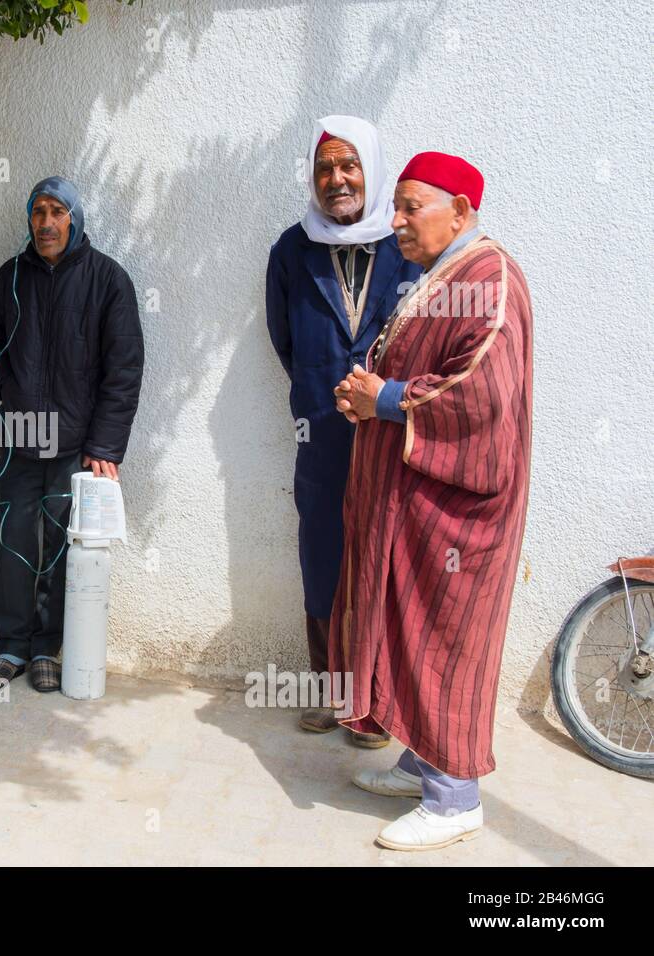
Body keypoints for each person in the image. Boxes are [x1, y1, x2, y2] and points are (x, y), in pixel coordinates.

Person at [331, 152, 533, 850]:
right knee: (408, 634)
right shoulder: (444, 277)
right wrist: (367, 396)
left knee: (446, 642)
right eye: (398, 206)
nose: (397, 222)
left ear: (462, 211)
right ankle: (422, 763)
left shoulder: (490, 277)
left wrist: (385, 399)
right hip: (411, 503)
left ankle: (455, 800)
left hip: (457, 517)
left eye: (412, 207)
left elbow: (480, 391)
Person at [266, 115, 420, 746]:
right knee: (324, 553)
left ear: (372, 169)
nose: (337, 179)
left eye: (349, 165)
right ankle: (332, 693)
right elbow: (284, 337)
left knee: (384, 554)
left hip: (391, 429)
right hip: (322, 430)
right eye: (325, 167)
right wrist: (321, 387)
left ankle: (379, 703)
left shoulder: (407, 245)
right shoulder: (292, 250)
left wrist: (382, 398)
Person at [0, 176, 144, 693]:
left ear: (75, 218)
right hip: (21, 435)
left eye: (57, 212)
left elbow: (125, 368)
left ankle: (48, 649)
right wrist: (6, 383)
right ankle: (10, 648)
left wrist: (105, 446)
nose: (46, 223)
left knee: (63, 548)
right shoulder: (12, 277)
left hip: (77, 444)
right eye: (38, 212)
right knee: (15, 541)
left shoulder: (108, 280)